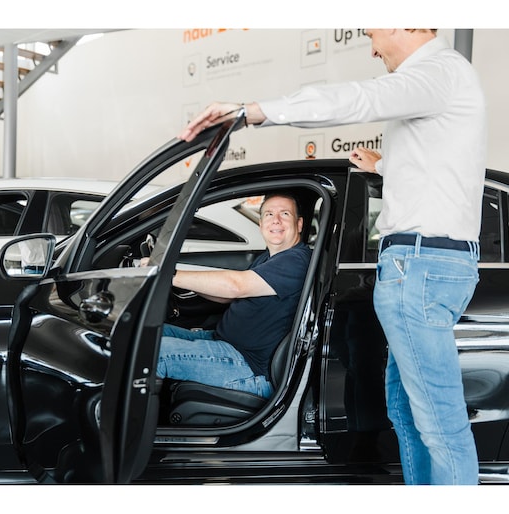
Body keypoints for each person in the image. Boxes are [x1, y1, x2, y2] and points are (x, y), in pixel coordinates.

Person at [179, 29, 485, 485]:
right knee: (406, 411)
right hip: (421, 265)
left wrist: (255, 112)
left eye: (373, 31)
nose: (372, 46)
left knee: (439, 424)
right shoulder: (442, 82)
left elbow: (357, 98)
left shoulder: (438, 71)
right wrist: (384, 166)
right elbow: (440, 168)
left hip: (420, 268)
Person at [157, 192, 311, 399]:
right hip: (223, 342)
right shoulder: (269, 258)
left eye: (284, 214)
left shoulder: (296, 260)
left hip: (248, 365)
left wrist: (168, 275)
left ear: (299, 224)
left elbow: (236, 286)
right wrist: (184, 283)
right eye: (268, 214)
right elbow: (228, 297)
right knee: (149, 334)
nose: (275, 220)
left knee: (153, 352)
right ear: (260, 223)